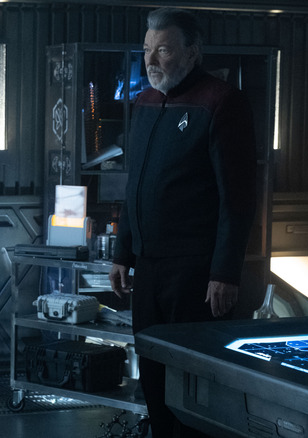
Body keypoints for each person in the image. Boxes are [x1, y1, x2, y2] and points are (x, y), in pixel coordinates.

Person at [108, 7, 256, 437]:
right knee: (153, 379)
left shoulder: (221, 102)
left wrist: (225, 272)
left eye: (164, 51)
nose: (151, 61)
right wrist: (122, 253)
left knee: (194, 389)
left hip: (196, 273)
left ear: (192, 52)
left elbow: (237, 198)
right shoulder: (145, 102)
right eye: (147, 50)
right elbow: (135, 184)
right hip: (149, 269)